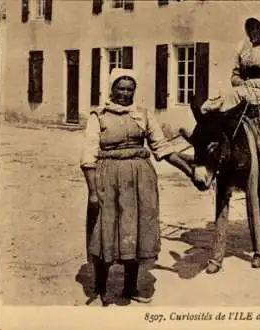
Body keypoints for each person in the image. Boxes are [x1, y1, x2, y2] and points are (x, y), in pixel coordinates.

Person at [80, 68, 194, 306]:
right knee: (105, 228)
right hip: (108, 179)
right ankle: (101, 284)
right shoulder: (98, 116)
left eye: (129, 89)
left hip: (140, 180)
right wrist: (92, 191)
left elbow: (162, 148)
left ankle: (130, 287)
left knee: (137, 229)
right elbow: (88, 157)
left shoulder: (143, 115)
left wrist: (189, 171)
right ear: (111, 89)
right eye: (120, 88)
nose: (125, 93)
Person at [200, 13, 260, 114]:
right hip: (245, 89)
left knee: (236, 94)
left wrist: (252, 84)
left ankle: (223, 122)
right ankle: (205, 116)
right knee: (220, 96)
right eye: (251, 29)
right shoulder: (244, 50)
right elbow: (235, 75)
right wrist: (240, 83)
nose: (254, 32)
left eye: (257, 28)